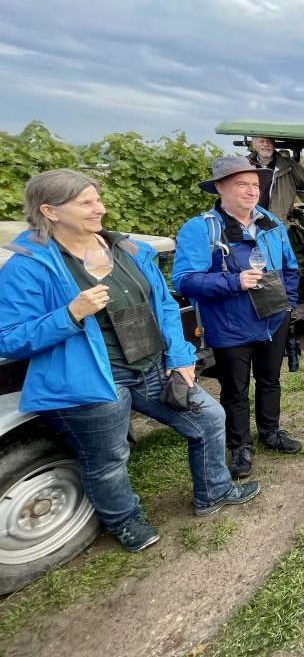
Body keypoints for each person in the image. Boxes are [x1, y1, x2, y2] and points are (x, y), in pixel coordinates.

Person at [0, 170, 261, 553]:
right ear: (50, 211)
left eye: (98, 199)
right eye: (86, 203)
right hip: (93, 380)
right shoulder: (29, 266)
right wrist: (69, 314)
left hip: (153, 367)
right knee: (107, 458)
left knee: (207, 419)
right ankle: (125, 521)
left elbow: (165, 306)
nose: (99, 209)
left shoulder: (126, 250)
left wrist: (181, 355)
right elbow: (10, 338)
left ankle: (215, 492)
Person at [173, 156, 302, 480]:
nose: (250, 191)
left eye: (255, 185)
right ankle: (240, 446)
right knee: (235, 390)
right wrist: (233, 281)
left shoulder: (269, 221)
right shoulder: (202, 228)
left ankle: (270, 432)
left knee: (271, 380)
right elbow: (184, 280)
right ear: (220, 188)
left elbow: (289, 267)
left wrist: (289, 305)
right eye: (241, 184)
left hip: (273, 319)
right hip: (230, 327)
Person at [246, 136, 304, 227]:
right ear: (254, 144)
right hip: (248, 221)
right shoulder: (244, 164)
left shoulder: (289, 166)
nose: (265, 144)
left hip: (277, 224)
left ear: (273, 144)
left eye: (269, 141)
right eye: (261, 141)